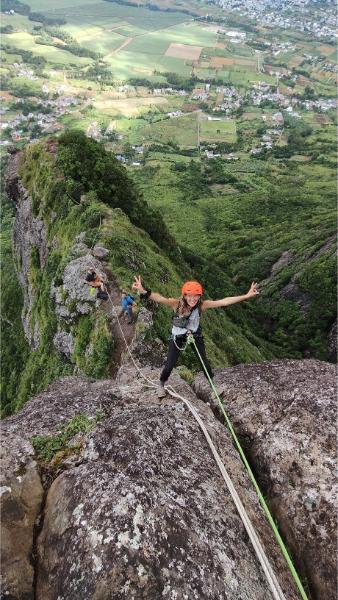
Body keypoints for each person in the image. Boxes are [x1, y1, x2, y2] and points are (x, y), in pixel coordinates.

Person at [132, 275, 259, 398]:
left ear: (199, 296)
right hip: (177, 337)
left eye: (195, 297)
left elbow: (224, 302)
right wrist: (143, 291)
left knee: (204, 362)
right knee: (170, 364)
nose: (192, 299)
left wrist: (246, 296)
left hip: (194, 335)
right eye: (190, 296)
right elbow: (160, 298)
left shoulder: (202, 306)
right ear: (184, 295)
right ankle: (161, 384)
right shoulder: (176, 304)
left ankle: (213, 387)